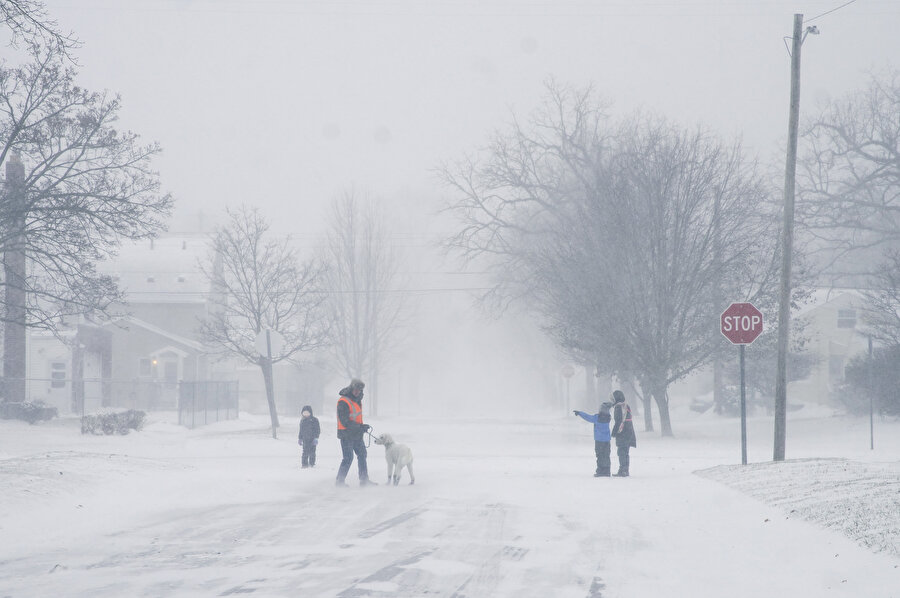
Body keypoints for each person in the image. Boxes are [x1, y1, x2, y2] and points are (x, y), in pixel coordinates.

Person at [335, 378, 376, 487]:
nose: (357, 392)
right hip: (346, 434)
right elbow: (344, 421)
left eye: (360, 390)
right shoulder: (343, 401)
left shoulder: (357, 400)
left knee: (362, 454)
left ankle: (364, 480)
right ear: (351, 388)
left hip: (357, 434)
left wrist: (361, 426)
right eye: (356, 390)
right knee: (348, 458)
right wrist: (359, 427)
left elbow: (355, 418)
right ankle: (339, 481)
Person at [573, 402, 612, 477]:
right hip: (607, 440)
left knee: (600, 455)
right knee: (606, 455)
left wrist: (580, 413)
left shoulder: (597, 418)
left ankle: (600, 471)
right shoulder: (608, 418)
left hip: (599, 440)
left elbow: (588, 417)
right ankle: (607, 470)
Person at [610, 389, 637, 477]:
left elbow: (618, 421)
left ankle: (622, 470)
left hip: (622, 432)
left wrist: (614, 433)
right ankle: (625, 470)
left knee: (621, 452)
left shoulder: (618, 407)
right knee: (625, 452)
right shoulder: (626, 406)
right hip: (629, 431)